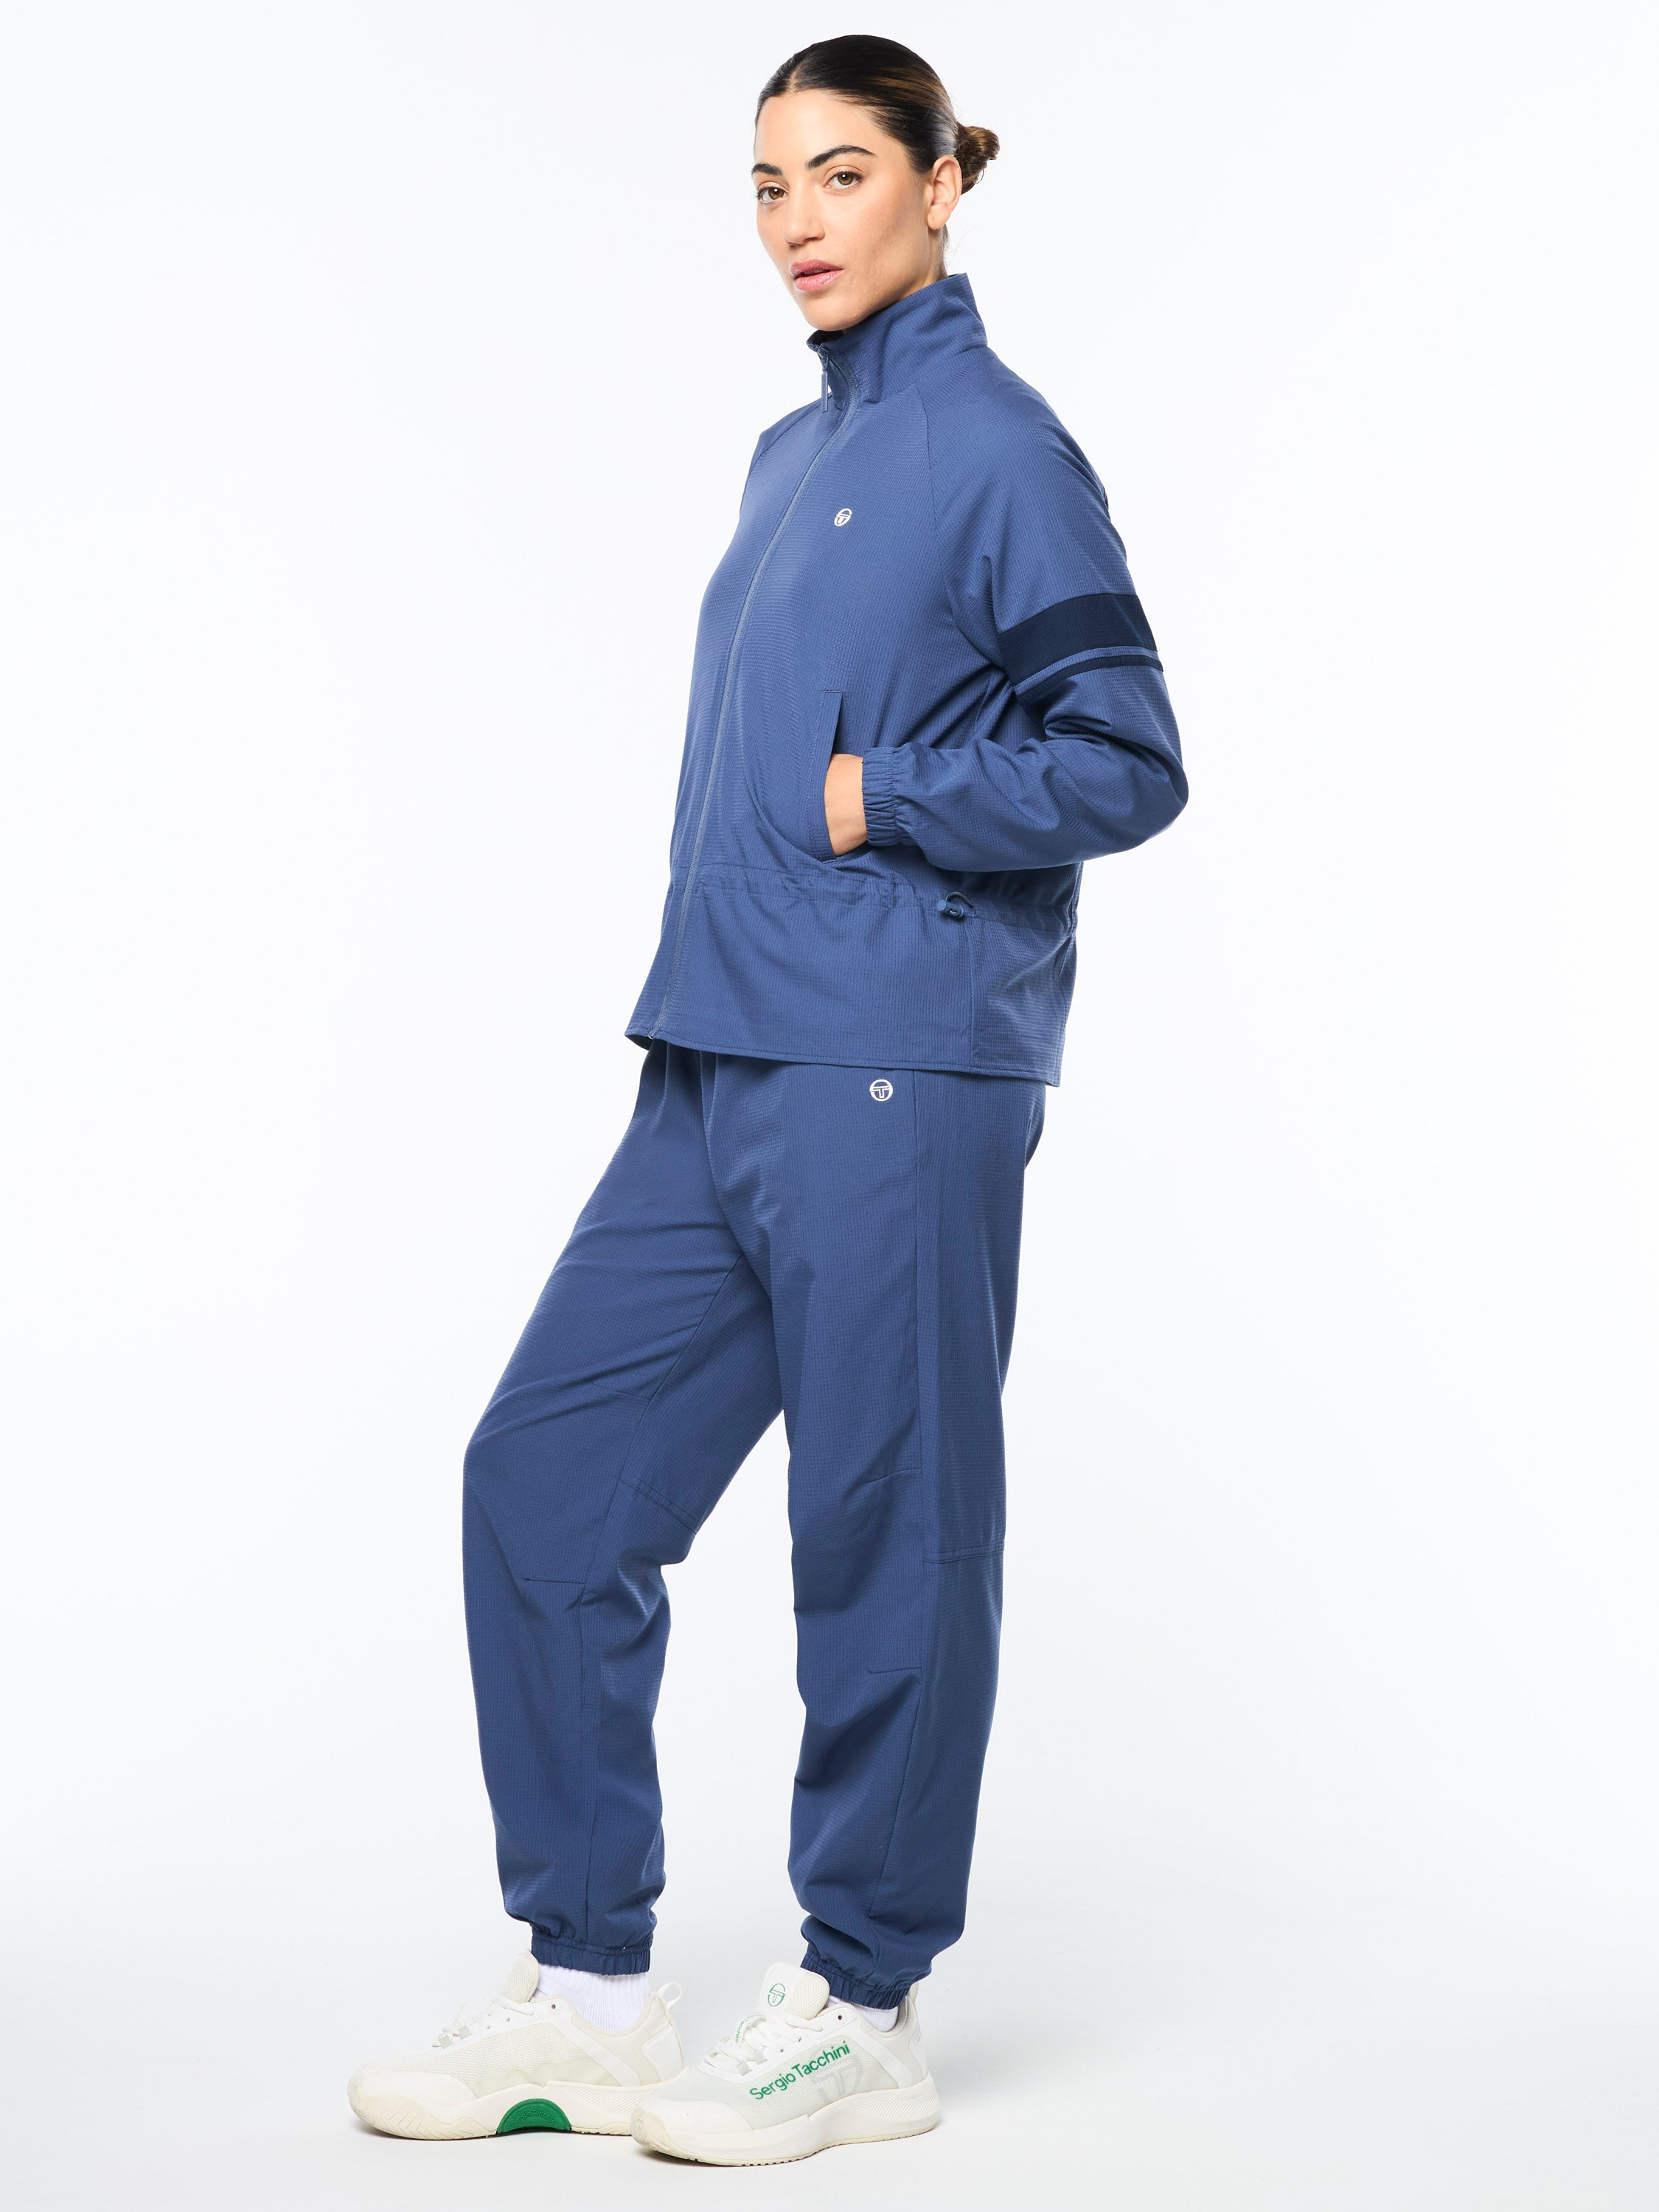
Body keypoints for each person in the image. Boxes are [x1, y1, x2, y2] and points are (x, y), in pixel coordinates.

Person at [348, 34, 1186, 2166]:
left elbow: (1125, 756)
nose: (797, 219)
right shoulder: (784, 452)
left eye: (839, 172)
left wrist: (877, 792)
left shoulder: (999, 447)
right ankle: (590, 1998)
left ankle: (862, 2007)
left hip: (893, 1062)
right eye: (764, 183)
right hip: (717, 1052)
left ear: (940, 182)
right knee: (544, 1484)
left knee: (881, 1528)